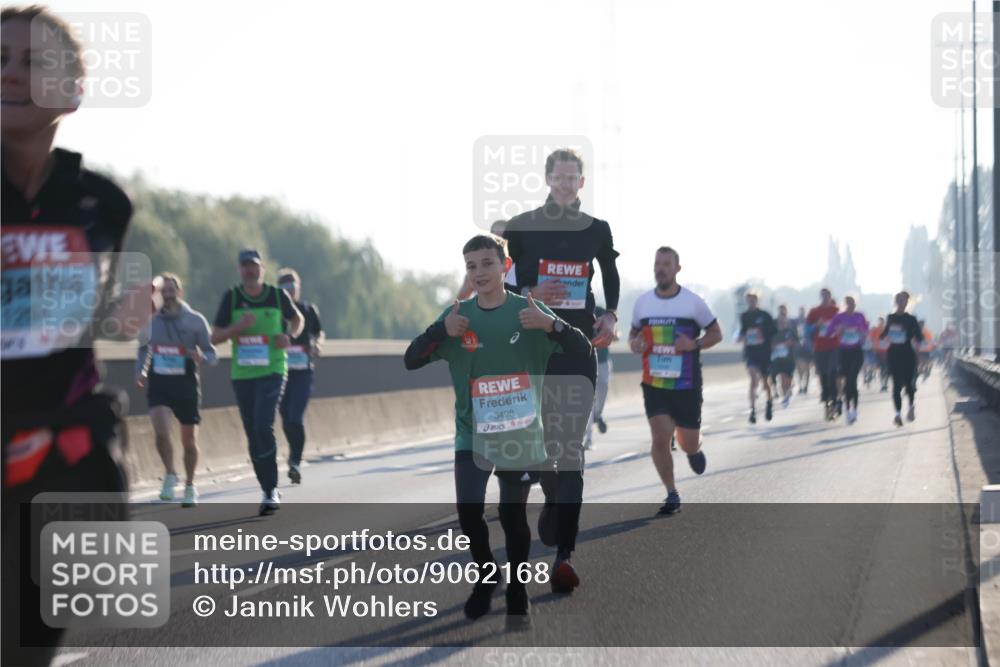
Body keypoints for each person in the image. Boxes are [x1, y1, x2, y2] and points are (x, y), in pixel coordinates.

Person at [1, 7, 154, 664]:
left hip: (66, 446)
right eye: (0, 58)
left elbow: (62, 322)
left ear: (72, 91)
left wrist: (120, 315)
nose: (9, 72)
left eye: (32, 61)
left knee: (28, 643)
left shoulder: (102, 202)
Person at [404, 234, 591, 624]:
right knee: (468, 511)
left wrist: (551, 324)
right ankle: (487, 575)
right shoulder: (458, 316)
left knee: (511, 517)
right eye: (471, 266)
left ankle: (518, 587)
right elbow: (411, 359)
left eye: (487, 264)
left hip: (520, 436)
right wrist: (441, 332)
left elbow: (583, 350)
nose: (479, 273)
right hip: (471, 433)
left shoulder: (529, 311)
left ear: (505, 266)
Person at [503, 148, 620, 593]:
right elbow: (507, 285)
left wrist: (610, 315)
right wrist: (533, 289)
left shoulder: (597, 230)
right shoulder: (523, 227)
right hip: (533, 351)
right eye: (560, 177)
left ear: (581, 184)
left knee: (570, 447)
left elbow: (609, 273)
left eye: (574, 179)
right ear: (548, 179)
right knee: (542, 447)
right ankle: (553, 502)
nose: (567, 185)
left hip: (578, 348)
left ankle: (565, 556)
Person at [629, 247, 722, 514]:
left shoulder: (693, 302)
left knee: (687, 442)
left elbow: (717, 333)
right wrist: (635, 343)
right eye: (657, 263)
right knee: (660, 438)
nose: (661, 268)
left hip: (686, 384)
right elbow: (634, 335)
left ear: (677, 269)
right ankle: (672, 493)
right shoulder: (643, 302)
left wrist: (693, 343)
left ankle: (693, 449)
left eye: (666, 264)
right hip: (654, 383)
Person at [211, 249, 303, 516]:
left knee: (264, 424)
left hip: (273, 370)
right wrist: (236, 328)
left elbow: (297, 319)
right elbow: (215, 337)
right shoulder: (232, 298)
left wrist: (289, 335)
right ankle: (266, 485)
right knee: (253, 432)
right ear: (239, 270)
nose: (250, 270)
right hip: (243, 375)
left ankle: (270, 489)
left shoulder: (277, 295)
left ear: (262, 269)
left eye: (254, 266)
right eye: (244, 266)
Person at [135, 273, 217, 506]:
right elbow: (143, 350)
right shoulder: (151, 321)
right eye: (165, 291)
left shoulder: (195, 320)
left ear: (179, 293)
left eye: (172, 290)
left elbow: (212, 354)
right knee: (161, 432)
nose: (168, 295)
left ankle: (190, 485)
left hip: (186, 385)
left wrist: (201, 356)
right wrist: (140, 371)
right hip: (159, 383)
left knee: (188, 441)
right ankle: (170, 473)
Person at [276, 268, 324, 484]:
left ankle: (295, 460)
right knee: (286, 418)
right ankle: (294, 454)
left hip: (303, 372)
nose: (290, 290)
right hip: (279, 371)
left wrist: (318, 345)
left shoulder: (308, 309)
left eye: (293, 286)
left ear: (298, 288)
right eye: (285, 287)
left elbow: (319, 332)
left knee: (296, 416)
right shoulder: (275, 312)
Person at [880, 291, 923, 427]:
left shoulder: (911, 319)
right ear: (895, 302)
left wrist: (911, 333)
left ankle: (910, 406)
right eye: (899, 300)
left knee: (910, 384)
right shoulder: (890, 317)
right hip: (893, 355)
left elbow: (919, 337)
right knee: (896, 385)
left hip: (907, 355)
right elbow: (883, 335)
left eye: (903, 300)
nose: (901, 303)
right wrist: (887, 335)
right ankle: (898, 414)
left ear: (907, 302)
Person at [829, 296, 868, 424]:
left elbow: (866, 332)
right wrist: (838, 330)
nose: (851, 305)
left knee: (852, 380)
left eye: (853, 303)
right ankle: (847, 409)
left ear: (856, 303)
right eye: (848, 303)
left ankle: (854, 410)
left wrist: (860, 331)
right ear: (845, 304)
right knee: (846, 382)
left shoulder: (860, 316)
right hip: (843, 352)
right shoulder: (839, 317)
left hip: (856, 351)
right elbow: (829, 332)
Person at [738, 291, 776, 423]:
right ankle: (752, 410)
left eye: (754, 300)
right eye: (749, 300)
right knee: (753, 379)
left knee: (765, 382)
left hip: (764, 352)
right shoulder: (744, 316)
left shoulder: (765, 315)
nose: (751, 302)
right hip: (751, 352)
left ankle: (769, 403)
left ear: (758, 301)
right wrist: (742, 336)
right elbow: (743, 330)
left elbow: (774, 332)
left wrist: (762, 334)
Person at [585, 306, 617, 448]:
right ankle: (588, 438)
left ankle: (598, 414)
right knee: (588, 398)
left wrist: (614, 336)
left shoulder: (601, 311)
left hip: (603, 360)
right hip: (586, 358)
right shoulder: (574, 309)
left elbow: (614, 333)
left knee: (602, 389)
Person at [806, 288, 841, 420]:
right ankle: (827, 401)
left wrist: (839, 329)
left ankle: (835, 400)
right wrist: (816, 325)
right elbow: (806, 329)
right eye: (823, 295)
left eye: (828, 295)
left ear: (830, 296)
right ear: (820, 296)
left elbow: (844, 325)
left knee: (832, 373)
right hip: (819, 347)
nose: (825, 297)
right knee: (823, 375)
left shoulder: (837, 311)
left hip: (834, 347)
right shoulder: (814, 312)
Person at [769, 305, 798, 408]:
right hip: (777, 358)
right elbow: (769, 343)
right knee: (781, 377)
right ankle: (784, 397)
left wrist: (790, 343)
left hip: (789, 358)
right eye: (780, 320)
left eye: (784, 320)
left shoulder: (791, 330)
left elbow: (797, 341)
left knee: (787, 379)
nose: (782, 322)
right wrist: (774, 346)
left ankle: (788, 390)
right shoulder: (773, 331)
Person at [794, 306, 813, 394]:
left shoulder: (808, 321)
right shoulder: (795, 321)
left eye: (803, 311)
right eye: (800, 311)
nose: (802, 313)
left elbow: (813, 331)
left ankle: (806, 386)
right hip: (798, 348)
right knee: (799, 368)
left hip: (808, 348)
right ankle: (800, 385)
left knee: (807, 369)